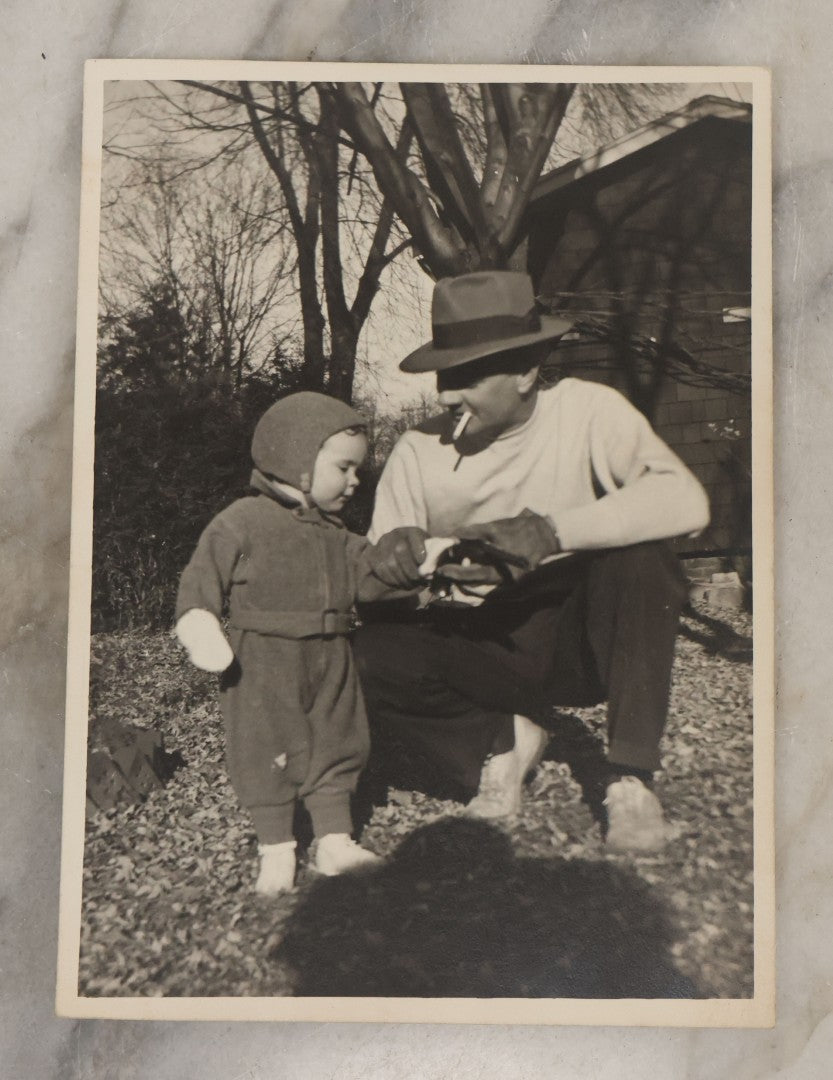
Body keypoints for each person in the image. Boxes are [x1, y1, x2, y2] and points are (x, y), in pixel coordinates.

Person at [354, 270, 710, 853]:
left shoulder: (587, 411)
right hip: (476, 644)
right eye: (445, 374)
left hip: (575, 640)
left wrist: (550, 531)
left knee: (643, 559)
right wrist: (389, 567)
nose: (445, 395)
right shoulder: (419, 450)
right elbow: (369, 591)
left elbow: (685, 500)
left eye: (466, 374)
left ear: (525, 370)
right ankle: (500, 742)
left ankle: (630, 779)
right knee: (366, 658)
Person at [175, 392, 387, 896]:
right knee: (264, 744)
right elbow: (202, 575)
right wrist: (200, 620)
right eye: (345, 467)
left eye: (358, 469)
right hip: (262, 659)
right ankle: (276, 847)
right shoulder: (242, 520)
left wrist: (410, 562)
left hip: (332, 653)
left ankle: (334, 840)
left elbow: (373, 574)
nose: (355, 481)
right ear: (298, 459)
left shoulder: (338, 534)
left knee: (339, 737)